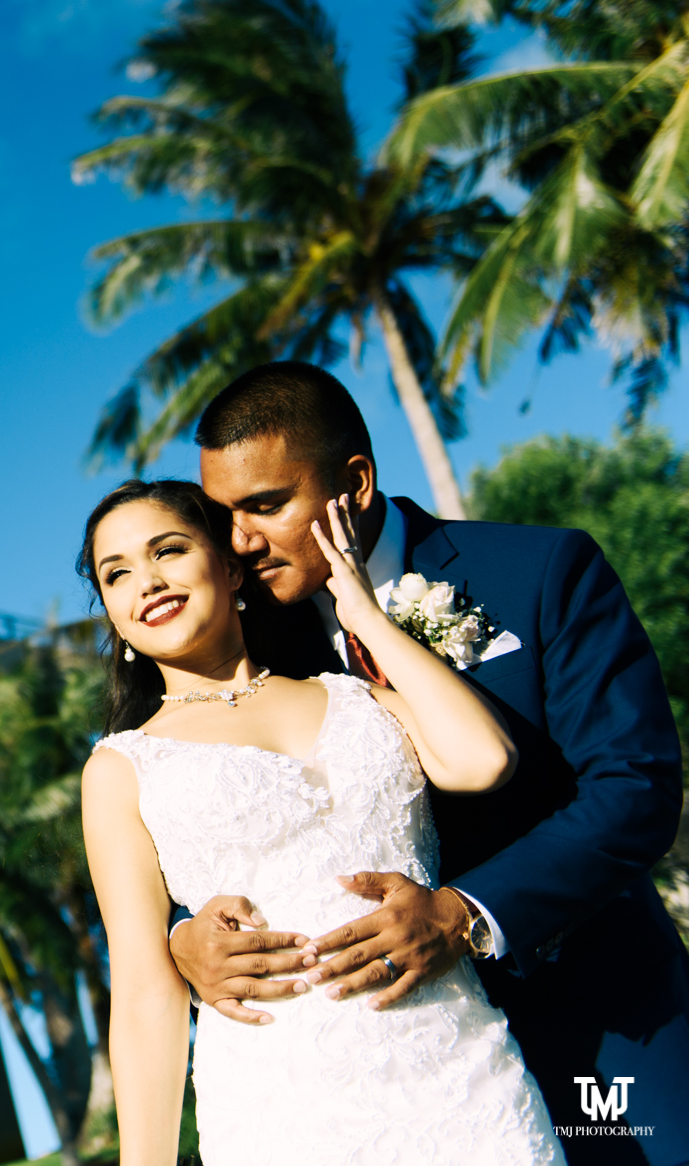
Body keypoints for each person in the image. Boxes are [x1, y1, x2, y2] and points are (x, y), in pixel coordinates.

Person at [174, 361, 686, 1165]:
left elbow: (637, 785)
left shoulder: (541, 572)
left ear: (356, 482)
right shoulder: (258, 648)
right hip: (395, 1075)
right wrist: (184, 937)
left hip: (599, 1022)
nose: (239, 540)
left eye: (266, 505)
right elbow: (207, 808)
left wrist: (466, 910)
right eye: (223, 513)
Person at [82, 478, 563, 1164]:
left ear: (230, 563)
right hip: (283, 1105)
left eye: (169, 550)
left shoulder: (356, 694)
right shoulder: (121, 767)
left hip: (466, 1077)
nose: (147, 581)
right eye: (117, 573)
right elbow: (141, 993)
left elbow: (484, 758)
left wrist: (365, 614)